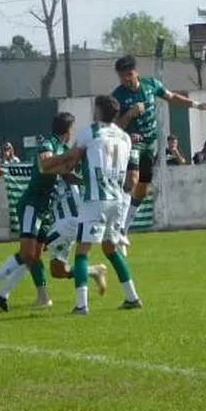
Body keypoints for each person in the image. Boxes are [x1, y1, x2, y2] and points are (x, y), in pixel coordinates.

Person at [0, 113, 87, 311]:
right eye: (73, 129)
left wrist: (85, 179)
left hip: (45, 209)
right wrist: (69, 157)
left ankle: (3, 294)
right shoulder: (48, 144)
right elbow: (45, 164)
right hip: (32, 204)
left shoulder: (63, 149)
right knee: (27, 253)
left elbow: (68, 175)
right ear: (68, 130)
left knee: (34, 257)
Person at [112, 55, 206, 253]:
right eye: (122, 76)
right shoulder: (117, 96)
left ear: (136, 72)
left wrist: (196, 105)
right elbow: (114, 127)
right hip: (132, 144)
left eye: (129, 75)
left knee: (143, 188)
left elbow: (172, 97)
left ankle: (123, 228)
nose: (126, 79)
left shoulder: (151, 84)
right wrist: (129, 114)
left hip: (150, 144)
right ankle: (117, 226)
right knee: (132, 180)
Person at [59, 95, 143, 314]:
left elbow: (72, 160)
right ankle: (132, 297)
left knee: (82, 251)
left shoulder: (89, 132)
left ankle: (81, 305)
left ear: (98, 111)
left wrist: (59, 167)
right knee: (110, 248)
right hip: (117, 200)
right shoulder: (124, 137)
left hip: (96, 200)